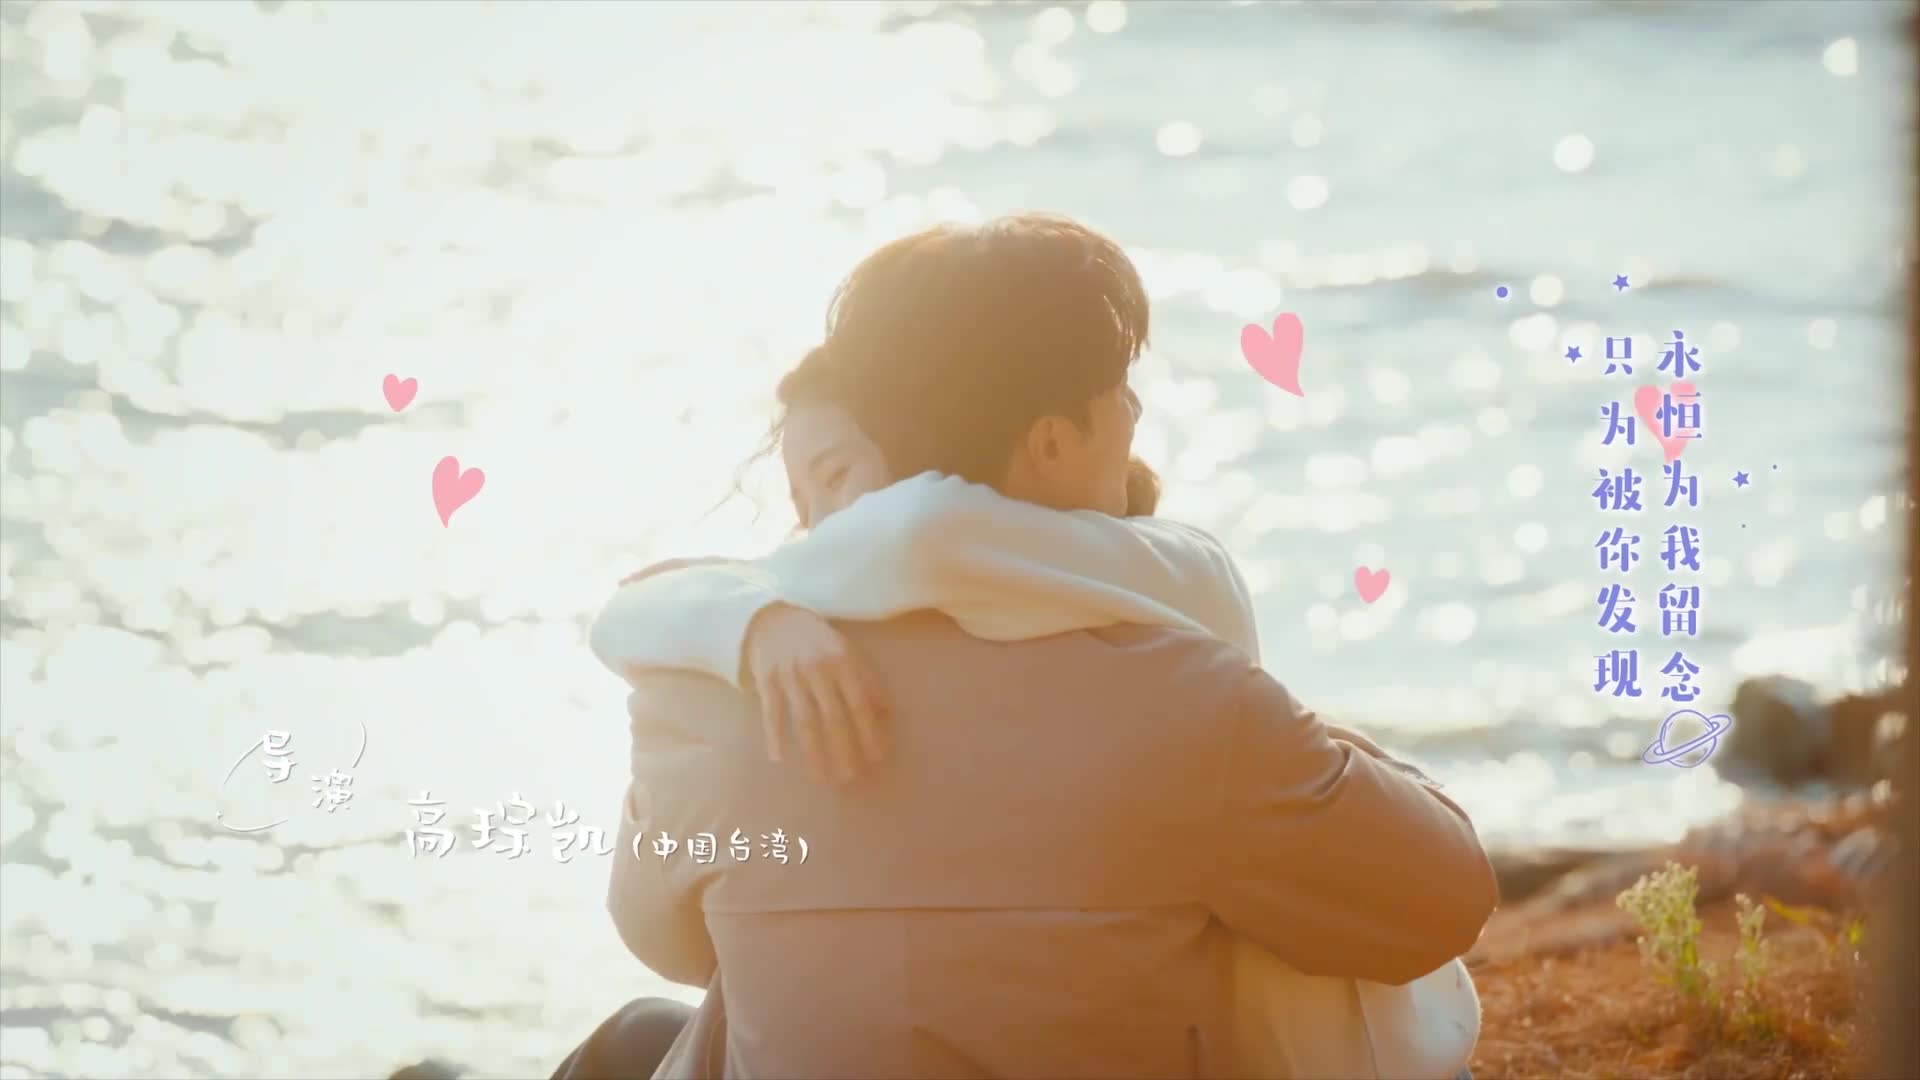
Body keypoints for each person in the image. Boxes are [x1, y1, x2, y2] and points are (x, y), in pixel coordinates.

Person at [562, 215, 1498, 1078]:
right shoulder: (1189, 698)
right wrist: (1302, 733)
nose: (1134, 416)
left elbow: (671, 942)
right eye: (1119, 390)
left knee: (642, 1034)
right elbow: (1438, 904)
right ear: (1051, 442)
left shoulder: (709, 690)